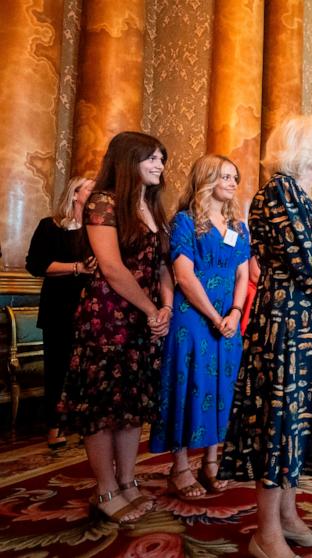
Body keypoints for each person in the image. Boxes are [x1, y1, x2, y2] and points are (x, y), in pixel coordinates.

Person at [218, 115, 312, 558]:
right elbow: (302, 259)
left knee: (295, 423)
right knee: (279, 425)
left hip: (304, 323)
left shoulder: (299, 196)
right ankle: (266, 533)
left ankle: (289, 519)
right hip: (286, 324)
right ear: (304, 153)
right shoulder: (277, 193)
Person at [59, 131, 174, 524]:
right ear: (129, 160)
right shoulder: (103, 202)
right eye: (152, 158)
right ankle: (105, 489)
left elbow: (163, 266)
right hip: (108, 315)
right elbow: (110, 267)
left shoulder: (153, 208)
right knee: (103, 406)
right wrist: (148, 308)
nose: (160, 165)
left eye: (161, 158)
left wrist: (166, 308)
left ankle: (128, 482)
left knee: (131, 405)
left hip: (145, 317)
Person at [150, 154, 249, 499]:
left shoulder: (238, 226)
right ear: (206, 178)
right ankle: (178, 469)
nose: (232, 183)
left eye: (235, 177)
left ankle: (211, 462)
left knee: (223, 387)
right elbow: (184, 275)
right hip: (192, 317)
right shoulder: (185, 221)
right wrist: (213, 316)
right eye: (224, 176)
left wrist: (235, 312)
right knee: (187, 383)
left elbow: (243, 273)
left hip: (228, 318)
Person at [26, 176, 98, 450]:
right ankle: (54, 426)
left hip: (90, 308)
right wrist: (77, 267)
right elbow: (35, 264)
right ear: (75, 194)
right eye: (89, 189)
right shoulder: (50, 226)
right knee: (58, 367)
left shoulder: (96, 229)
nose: (94, 194)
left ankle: (82, 423)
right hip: (58, 306)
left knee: (86, 369)